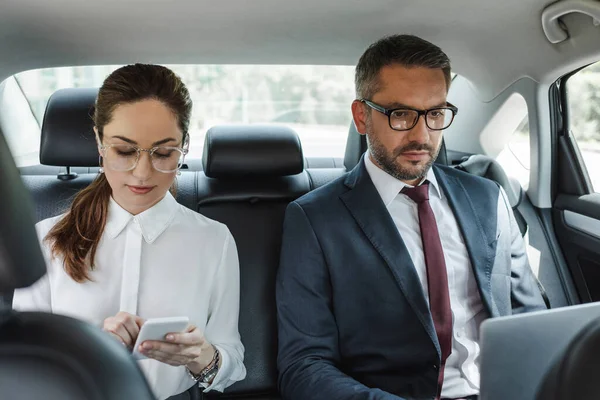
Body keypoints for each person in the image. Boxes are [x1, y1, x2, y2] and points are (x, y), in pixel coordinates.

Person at [276, 35, 546, 400]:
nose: (421, 135)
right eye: (400, 114)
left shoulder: (487, 198)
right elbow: (303, 365)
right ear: (362, 116)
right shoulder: (315, 219)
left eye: (435, 114)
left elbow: (533, 320)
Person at [13, 64, 246, 400]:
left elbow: (232, 360)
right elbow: (22, 366)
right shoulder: (47, 239)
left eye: (164, 153)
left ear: (184, 147)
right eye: (124, 151)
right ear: (99, 142)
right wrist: (91, 350)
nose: (142, 172)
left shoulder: (214, 240)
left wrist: (202, 357)